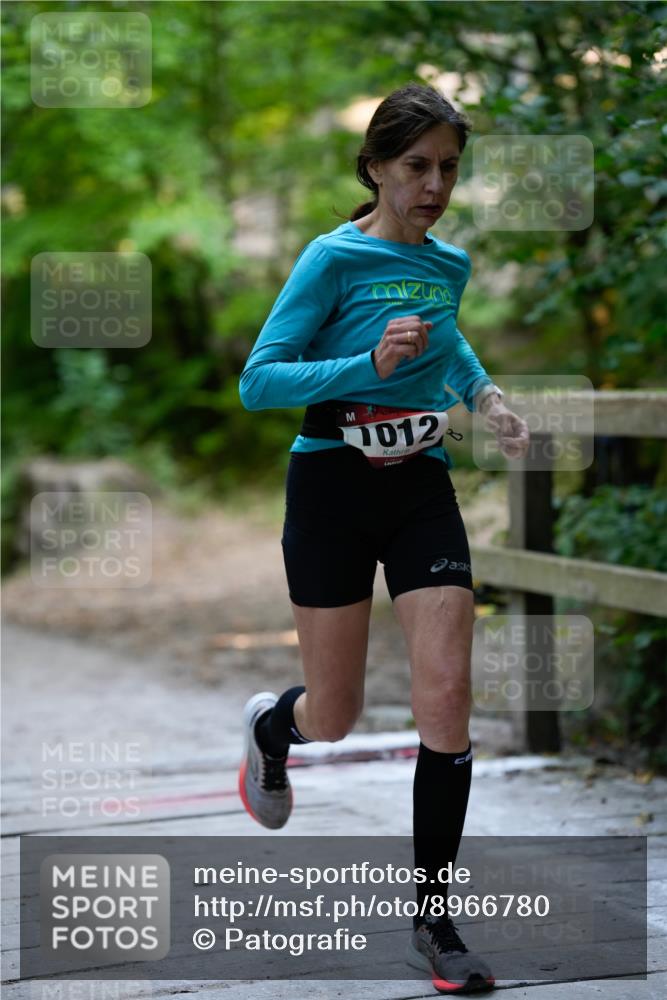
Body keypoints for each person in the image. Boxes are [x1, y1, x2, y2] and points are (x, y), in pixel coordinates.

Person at [237, 81, 529, 995]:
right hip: (329, 484)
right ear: (374, 168)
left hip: (418, 487)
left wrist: (485, 396)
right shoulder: (331, 258)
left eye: (448, 168)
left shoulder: (450, 265)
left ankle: (434, 924)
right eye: (415, 167)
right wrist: (366, 364)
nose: (433, 185)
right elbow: (259, 380)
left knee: (445, 694)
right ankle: (273, 728)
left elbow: (447, 340)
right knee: (336, 715)